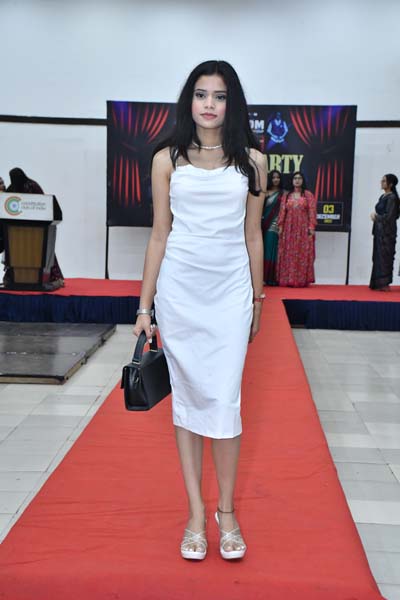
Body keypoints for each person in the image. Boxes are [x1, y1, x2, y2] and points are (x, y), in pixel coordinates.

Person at [133, 60, 267, 562]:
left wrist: (257, 298)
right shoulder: (166, 159)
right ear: (189, 100)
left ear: (232, 104)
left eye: (220, 96)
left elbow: (253, 236)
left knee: (225, 400)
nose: (209, 104)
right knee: (188, 402)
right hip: (181, 293)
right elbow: (159, 234)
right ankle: (195, 514)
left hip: (230, 293)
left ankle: (226, 513)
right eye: (201, 94)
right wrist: (144, 306)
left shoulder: (252, 161)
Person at [5, 167, 64, 286]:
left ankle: (53, 277)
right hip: (16, 231)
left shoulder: (32, 185)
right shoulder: (12, 188)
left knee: (43, 252)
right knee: (17, 252)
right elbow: (5, 204)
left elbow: (43, 204)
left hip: (38, 229)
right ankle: (15, 279)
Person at [277, 171, 316, 287]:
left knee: (301, 253)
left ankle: (300, 280)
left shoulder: (308, 195)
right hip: (288, 228)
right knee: (288, 253)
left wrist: (311, 227)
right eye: (295, 178)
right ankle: (288, 279)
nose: (297, 180)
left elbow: (312, 212)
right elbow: (282, 211)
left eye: (299, 178)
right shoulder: (287, 195)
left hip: (303, 229)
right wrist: (280, 226)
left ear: (303, 180)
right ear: (292, 181)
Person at [369, 173, 400, 291]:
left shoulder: (392, 198)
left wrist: (376, 217)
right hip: (379, 231)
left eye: (384, 181)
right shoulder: (383, 196)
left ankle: (384, 283)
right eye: (381, 180)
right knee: (377, 257)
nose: (381, 183)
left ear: (390, 184)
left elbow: (389, 217)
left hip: (387, 233)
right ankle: (377, 283)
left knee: (385, 257)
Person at [262, 169, 285, 285]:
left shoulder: (283, 194)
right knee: (265, 250)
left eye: (278, 177)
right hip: (264, 224)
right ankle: (264, 277)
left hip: (276, 225)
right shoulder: (265, 193)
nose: (276, 179)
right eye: (273, 177)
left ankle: (272, 278)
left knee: (273, 250)